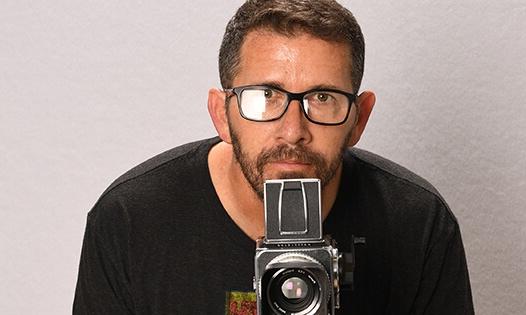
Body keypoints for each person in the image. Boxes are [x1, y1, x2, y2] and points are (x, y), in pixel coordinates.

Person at [73, 0, 474, 314]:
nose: (293, 130)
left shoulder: (418, 224)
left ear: (359, 118)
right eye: (266, 96)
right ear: (222, 114)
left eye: (323, 97)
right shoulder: (131, 221)